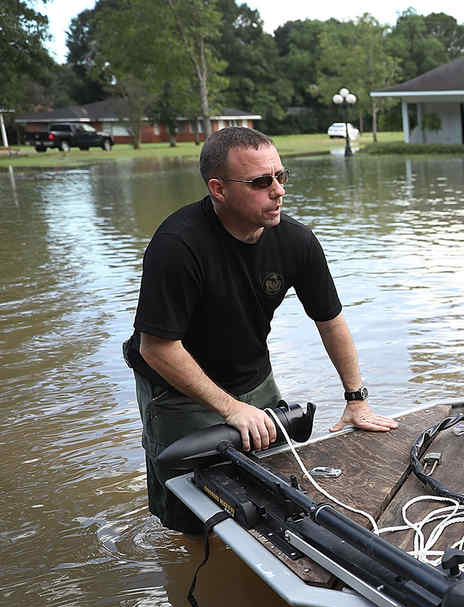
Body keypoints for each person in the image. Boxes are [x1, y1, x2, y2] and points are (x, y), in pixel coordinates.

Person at [125, 126, 398, 535]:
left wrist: (356, 399)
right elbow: (157, 348)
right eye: (260, 182)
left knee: (277, 490)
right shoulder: (177, 244)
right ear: (218, 189)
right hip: (176, 389)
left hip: (253, 376)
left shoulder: (297, 241)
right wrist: (231, 409)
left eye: (281, 177)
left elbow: (330, 320)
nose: (278, 191)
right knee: (190, 513)